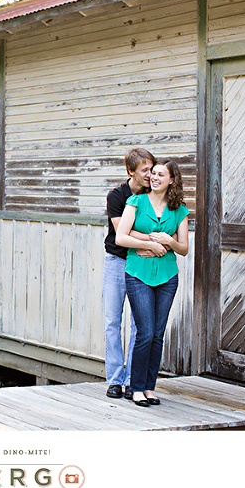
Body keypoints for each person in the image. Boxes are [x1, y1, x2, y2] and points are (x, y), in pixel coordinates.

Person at [115, 160, 189, 407]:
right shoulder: (135, 202)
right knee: (145, 333)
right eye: (153, 174)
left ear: (171, 180)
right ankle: (135, 387)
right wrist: (150, 245)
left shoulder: (179, 210)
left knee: (157, 334)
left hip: (167, 276)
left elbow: (184, 248)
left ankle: (149, 387)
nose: (154, 178)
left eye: (160, 175)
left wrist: (169, 240)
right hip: (138, 273)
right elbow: (121, 237)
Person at [103, 148, 155, 399]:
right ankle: (114, 380)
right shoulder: (116, 196)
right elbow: (121, 231)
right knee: (112, 321)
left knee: (139, 324)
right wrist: (151, 240)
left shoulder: (152, 196)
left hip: (141, 263)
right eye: (144, 170)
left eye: (151, 169)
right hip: (116, 261)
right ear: (130, 171)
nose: (150, 174)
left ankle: (132, 381)